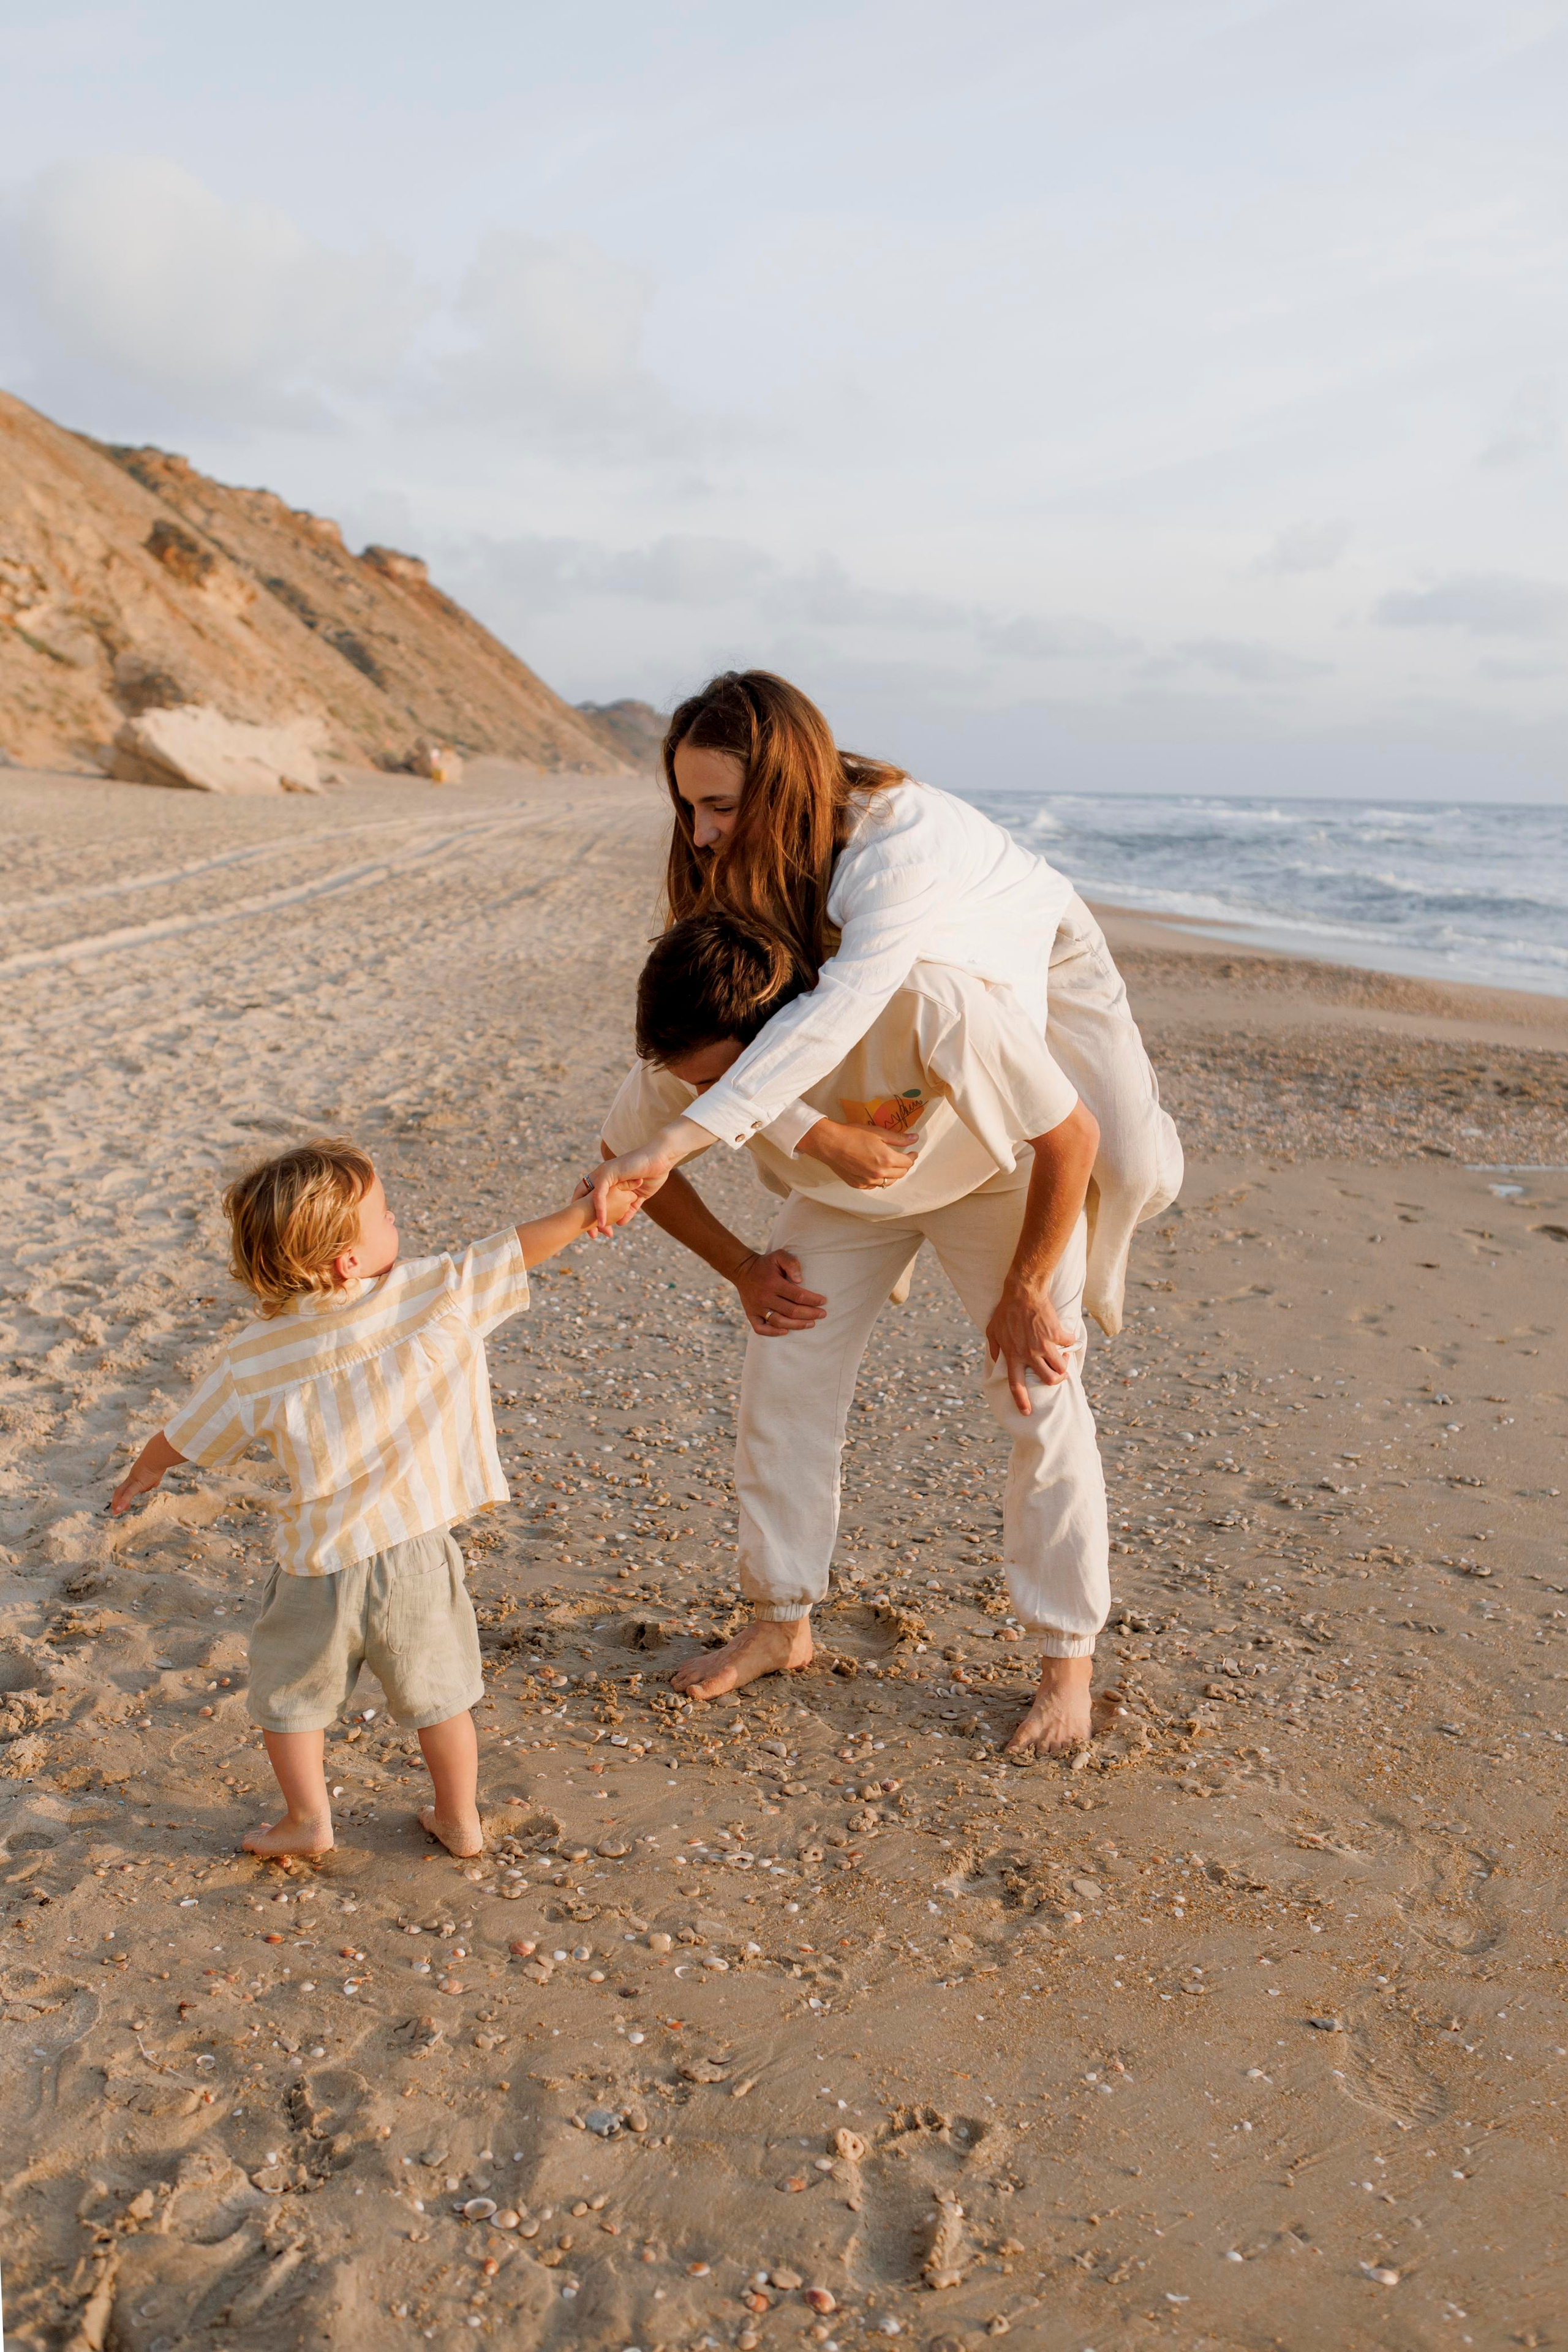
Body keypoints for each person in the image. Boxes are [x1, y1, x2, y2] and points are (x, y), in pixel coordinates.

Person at [601, 910, 1111, 1752]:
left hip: (997, 1178)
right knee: (784, 1363)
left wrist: (1026, 1287)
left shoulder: (925, 1001)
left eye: (721, 1084)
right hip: (846, 1204)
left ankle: (1068, 1665)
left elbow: (1072, 1135)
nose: (706, 1100)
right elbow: (627, 1156)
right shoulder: (691, 1055)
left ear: (787, 1038)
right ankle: (780, 1623)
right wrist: (742, 1267)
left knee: (1038, 1386)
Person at [590, 669, 1182, 1340]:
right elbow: (730, 1030)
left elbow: (845, 1006)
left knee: (1131, 1164)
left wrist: (675, 1141)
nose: (701, 833)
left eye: (720, 807)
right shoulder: (750, 848)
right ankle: (890, 1215)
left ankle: (1104, 1257)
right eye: (691, 806)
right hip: (881, 955)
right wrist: (803, 1134)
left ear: (780, 785)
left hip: (1043, 945)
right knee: (813, 1058)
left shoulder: (898, 845)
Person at [107, 1139, 639, 1860]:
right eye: (385, 1214)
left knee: (290, 1700)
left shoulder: (255, 1354)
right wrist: (585, 1212)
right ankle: (459, 1818)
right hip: (415, 1553)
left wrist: (146, 1470)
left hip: (317, 1565)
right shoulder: (430, 1292)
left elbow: (190, 1430)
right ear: (346, 1261)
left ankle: (307, 1820)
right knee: (440, 1698)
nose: (397, 1220)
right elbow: (512, 1251)